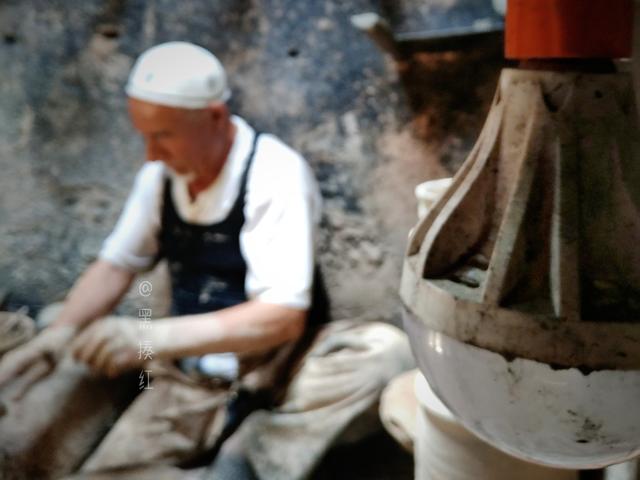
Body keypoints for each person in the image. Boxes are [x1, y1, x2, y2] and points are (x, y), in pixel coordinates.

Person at [0, 41, 413, 479]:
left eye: (164, 136)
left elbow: (284, 317)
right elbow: (116, 265)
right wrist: (56, 337)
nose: (151, 153)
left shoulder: (274, 171)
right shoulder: (159, 178)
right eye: (145, 136)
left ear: (215, 116)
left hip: (280, 365)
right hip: (189, 378)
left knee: (384, 355)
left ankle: (251, 458)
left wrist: (149, 336)